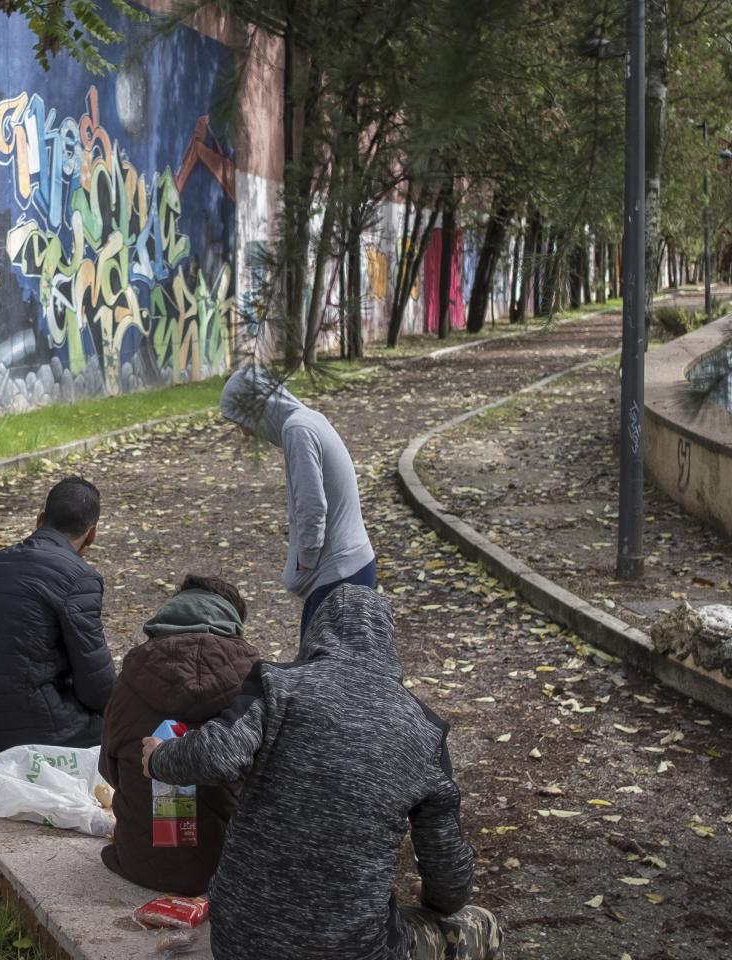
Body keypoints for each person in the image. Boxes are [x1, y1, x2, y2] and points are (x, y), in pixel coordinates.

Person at [142, 584, 501, 960]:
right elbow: (449, 883)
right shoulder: (426, 731)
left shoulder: (278, 685)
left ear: (316, 632)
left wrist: (160, 757)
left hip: (239, 941)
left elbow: (217, 754)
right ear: (387, 643)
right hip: (353, 950)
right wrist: (433, 902)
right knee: (482, 924)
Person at [99, 574, 259, 896]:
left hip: (140, 862)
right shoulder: (255, 676)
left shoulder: (131, 675)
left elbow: (108, 769)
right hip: (230, 867)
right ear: (233, 624)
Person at [0, 477, 115, 755]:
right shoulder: (80, 578)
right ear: (92, 534)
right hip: (43, 732)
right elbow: (98, 688)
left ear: (40, 519)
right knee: (131, 722)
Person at [220, 365, 376, 638]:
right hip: (350, 568)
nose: (245, 431)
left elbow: (311, 505)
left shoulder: (297, 429)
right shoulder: (309, 420)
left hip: (339, 575)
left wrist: (305, 559)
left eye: (241, 420)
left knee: (323, 664)